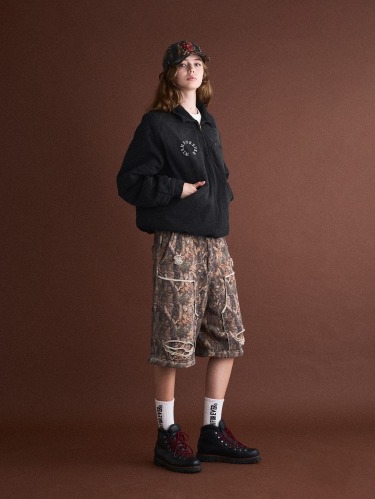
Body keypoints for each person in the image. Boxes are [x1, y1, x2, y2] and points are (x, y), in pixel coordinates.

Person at [117, 40, 261, 473]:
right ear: (170, 75)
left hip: (215, 243)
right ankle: (167, 434)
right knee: (173, 341)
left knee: (228, 335)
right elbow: (129, 181)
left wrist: (221, 198)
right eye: (183, 64)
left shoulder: (208, 123)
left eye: (198, 63)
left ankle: (212, 431)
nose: (192, 69)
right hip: (178, 244)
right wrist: (176, 190)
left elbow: (218, 175)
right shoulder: (156, 124)